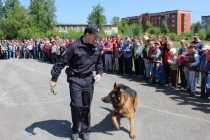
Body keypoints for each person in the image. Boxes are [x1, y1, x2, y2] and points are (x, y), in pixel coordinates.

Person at [49, 26, 103, 140]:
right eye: (95, 36)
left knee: (86, 107)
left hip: (89, 80)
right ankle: (75, 128)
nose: (97, 39)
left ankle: (85, 129)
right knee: (77, 106)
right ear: (87, 35)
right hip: (76, 80)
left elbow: (99, 63)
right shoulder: (74, 47)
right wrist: (54, 78)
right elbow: (61, 62)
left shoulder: (97, 47)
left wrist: (99, 73)